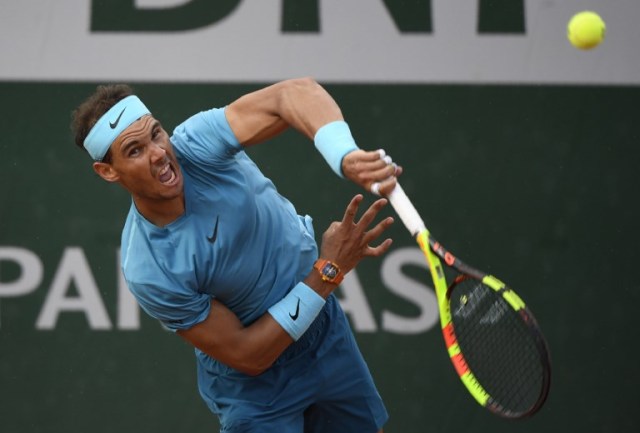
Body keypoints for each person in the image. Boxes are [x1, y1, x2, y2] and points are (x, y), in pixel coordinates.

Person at [71, 77, 401, 433]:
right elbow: (249, 355)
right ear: (108, 171)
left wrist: (344, 154)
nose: (159, 153)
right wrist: (328, 271)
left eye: (156, 134)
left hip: (325, 335)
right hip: (257, 395)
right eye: (135, 151)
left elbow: (292, 93)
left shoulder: (195, 144)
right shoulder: (149, 267)